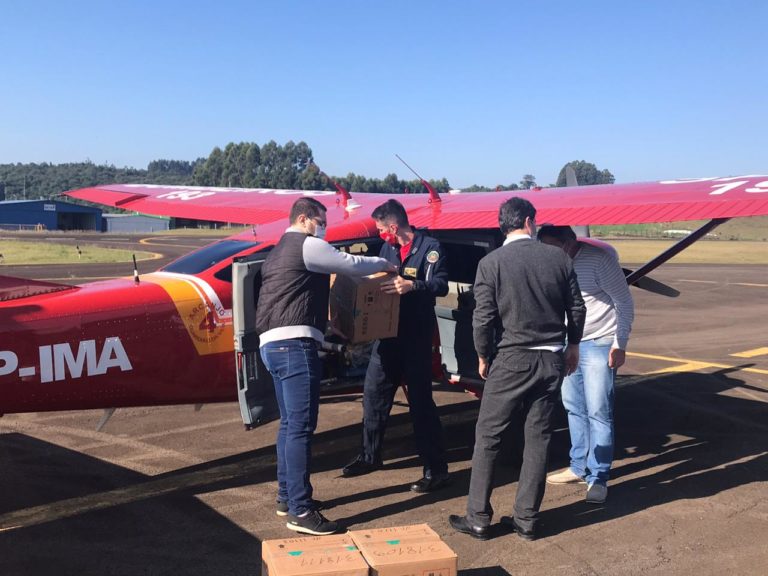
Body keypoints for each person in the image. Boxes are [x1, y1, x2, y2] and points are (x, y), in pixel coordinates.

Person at [449, 197, 586, 541]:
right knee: (537, 437)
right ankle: (527, 518)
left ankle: (478, 516)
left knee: (489, 436)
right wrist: (573, 345)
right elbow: (577, 308)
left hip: (512, 359)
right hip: (551, 359)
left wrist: (482, 355)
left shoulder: (491, 263)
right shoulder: (558, 258)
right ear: (528, 222)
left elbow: (483, 317)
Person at [256, 197, 394, 536]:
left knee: (289, 425)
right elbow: (349, 263)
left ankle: (287, 497)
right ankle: (301, 511)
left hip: (271, 345)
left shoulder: (276, 253)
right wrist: (386, 263)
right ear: (304, 219)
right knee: (301, 427)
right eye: (321, 220)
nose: (324, 227)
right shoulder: (305, 246)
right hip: (295, 345)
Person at [341, 199, 451, 493]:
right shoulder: (388, 249)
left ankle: (436, 469)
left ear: (393, 227)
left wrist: (413, 285)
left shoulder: (430, 248)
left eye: (381, 230)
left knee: (421, 404)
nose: (380, 236)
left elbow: (440, 284)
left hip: (416, 337)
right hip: (387, 334)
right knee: (373, 395)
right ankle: (370, 455)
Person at [538, 226, 634, 504]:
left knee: (598, 410)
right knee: (573, 406)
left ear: (568, 243)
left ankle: (598, 476)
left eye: (552, 246)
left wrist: (620, 343)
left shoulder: (600, 260)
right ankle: (578, 465)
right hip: (567, 343)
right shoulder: (552, 262)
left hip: (598, 342)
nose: (547, 253)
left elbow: (624, 301)